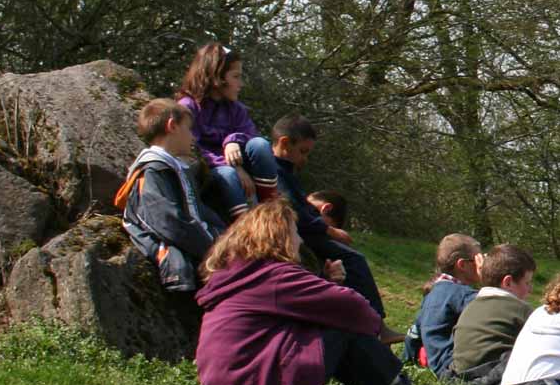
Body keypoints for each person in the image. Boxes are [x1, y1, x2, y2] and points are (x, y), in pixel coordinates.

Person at [191, 202, 430, 385]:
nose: (299, 241)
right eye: (295, 233)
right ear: (278, 236)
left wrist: (325, 282)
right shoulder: (274, 276)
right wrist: (375, 325)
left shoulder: (238, 274)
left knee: (328, 324)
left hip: (224, 381)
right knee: (344, 327)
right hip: (254, 382)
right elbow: (352, 307)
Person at [261, 115, 389, 317]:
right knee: (353, 259)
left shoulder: (286, 171)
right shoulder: (275, 170)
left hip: (306, 229)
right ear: (285, 143)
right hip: (299, 231)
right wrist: (329, 230)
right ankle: (374, 318)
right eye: (303, 151)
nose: (305, 158)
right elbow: (292, 208)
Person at [115, 98, 225, 293]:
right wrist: (212, 249)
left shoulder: (177, 168)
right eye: (189, 129)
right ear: (172, 126)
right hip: (186, 256)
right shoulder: (152, 170)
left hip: (203, 247)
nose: (193, 137)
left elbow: (198, 210)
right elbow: (167, 220)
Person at [174, 42, 277, 220]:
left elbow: (251, 134)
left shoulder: (235, 109)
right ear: (217, 78)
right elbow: (192, 150)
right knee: (228, 174)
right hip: (214, 171)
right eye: (236, 76)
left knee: (260, 145)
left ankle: (270, 209)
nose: (241, 84)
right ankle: (244, 227)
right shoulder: (188, 107)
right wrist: (232, 166)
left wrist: (232, 140)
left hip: (237, 165)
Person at [449, 244, 536, 380]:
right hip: (495, 377)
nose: (530, 289)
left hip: (461, 375)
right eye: (527, 283)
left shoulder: (471, 306)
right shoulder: (521, 309)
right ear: (507, 282)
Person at [403, 234, 480, 375]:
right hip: (454, 368)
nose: (483, 266)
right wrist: (490, 280)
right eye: (478, 260)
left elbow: (414, 333)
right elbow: (493, 310)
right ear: (462, 265)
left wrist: (408, 359)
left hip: (436, 363)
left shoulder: (434, 291)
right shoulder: (460, 294)